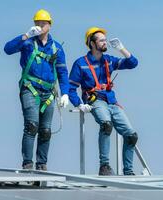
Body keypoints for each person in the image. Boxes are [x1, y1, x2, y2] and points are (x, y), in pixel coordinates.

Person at [4, 9, 70, 171]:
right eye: (37, 23)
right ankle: (27, 163)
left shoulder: (57, 48)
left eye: (43, 23)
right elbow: (7, 49)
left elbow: (62, 72)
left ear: (50, 25)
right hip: (30, 88)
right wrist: (25, 35)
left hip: (48, 93)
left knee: (45, 130)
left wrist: (65, 93)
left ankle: (42, 165)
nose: (40, 26)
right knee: (32, 125)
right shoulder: (27, 43)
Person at [69, 27, 139, 175]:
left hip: (111, 101)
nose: (105, 42)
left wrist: (122, 49)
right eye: (101, 40)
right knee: (106, 125)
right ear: (92, 43)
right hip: (95, 101)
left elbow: (133, 63)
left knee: (131, 135)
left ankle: (129, 171)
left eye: (105, 40)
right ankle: (104, 166)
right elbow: (71, 89)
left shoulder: (109, 61)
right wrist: (79, 104)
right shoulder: (80, 63)